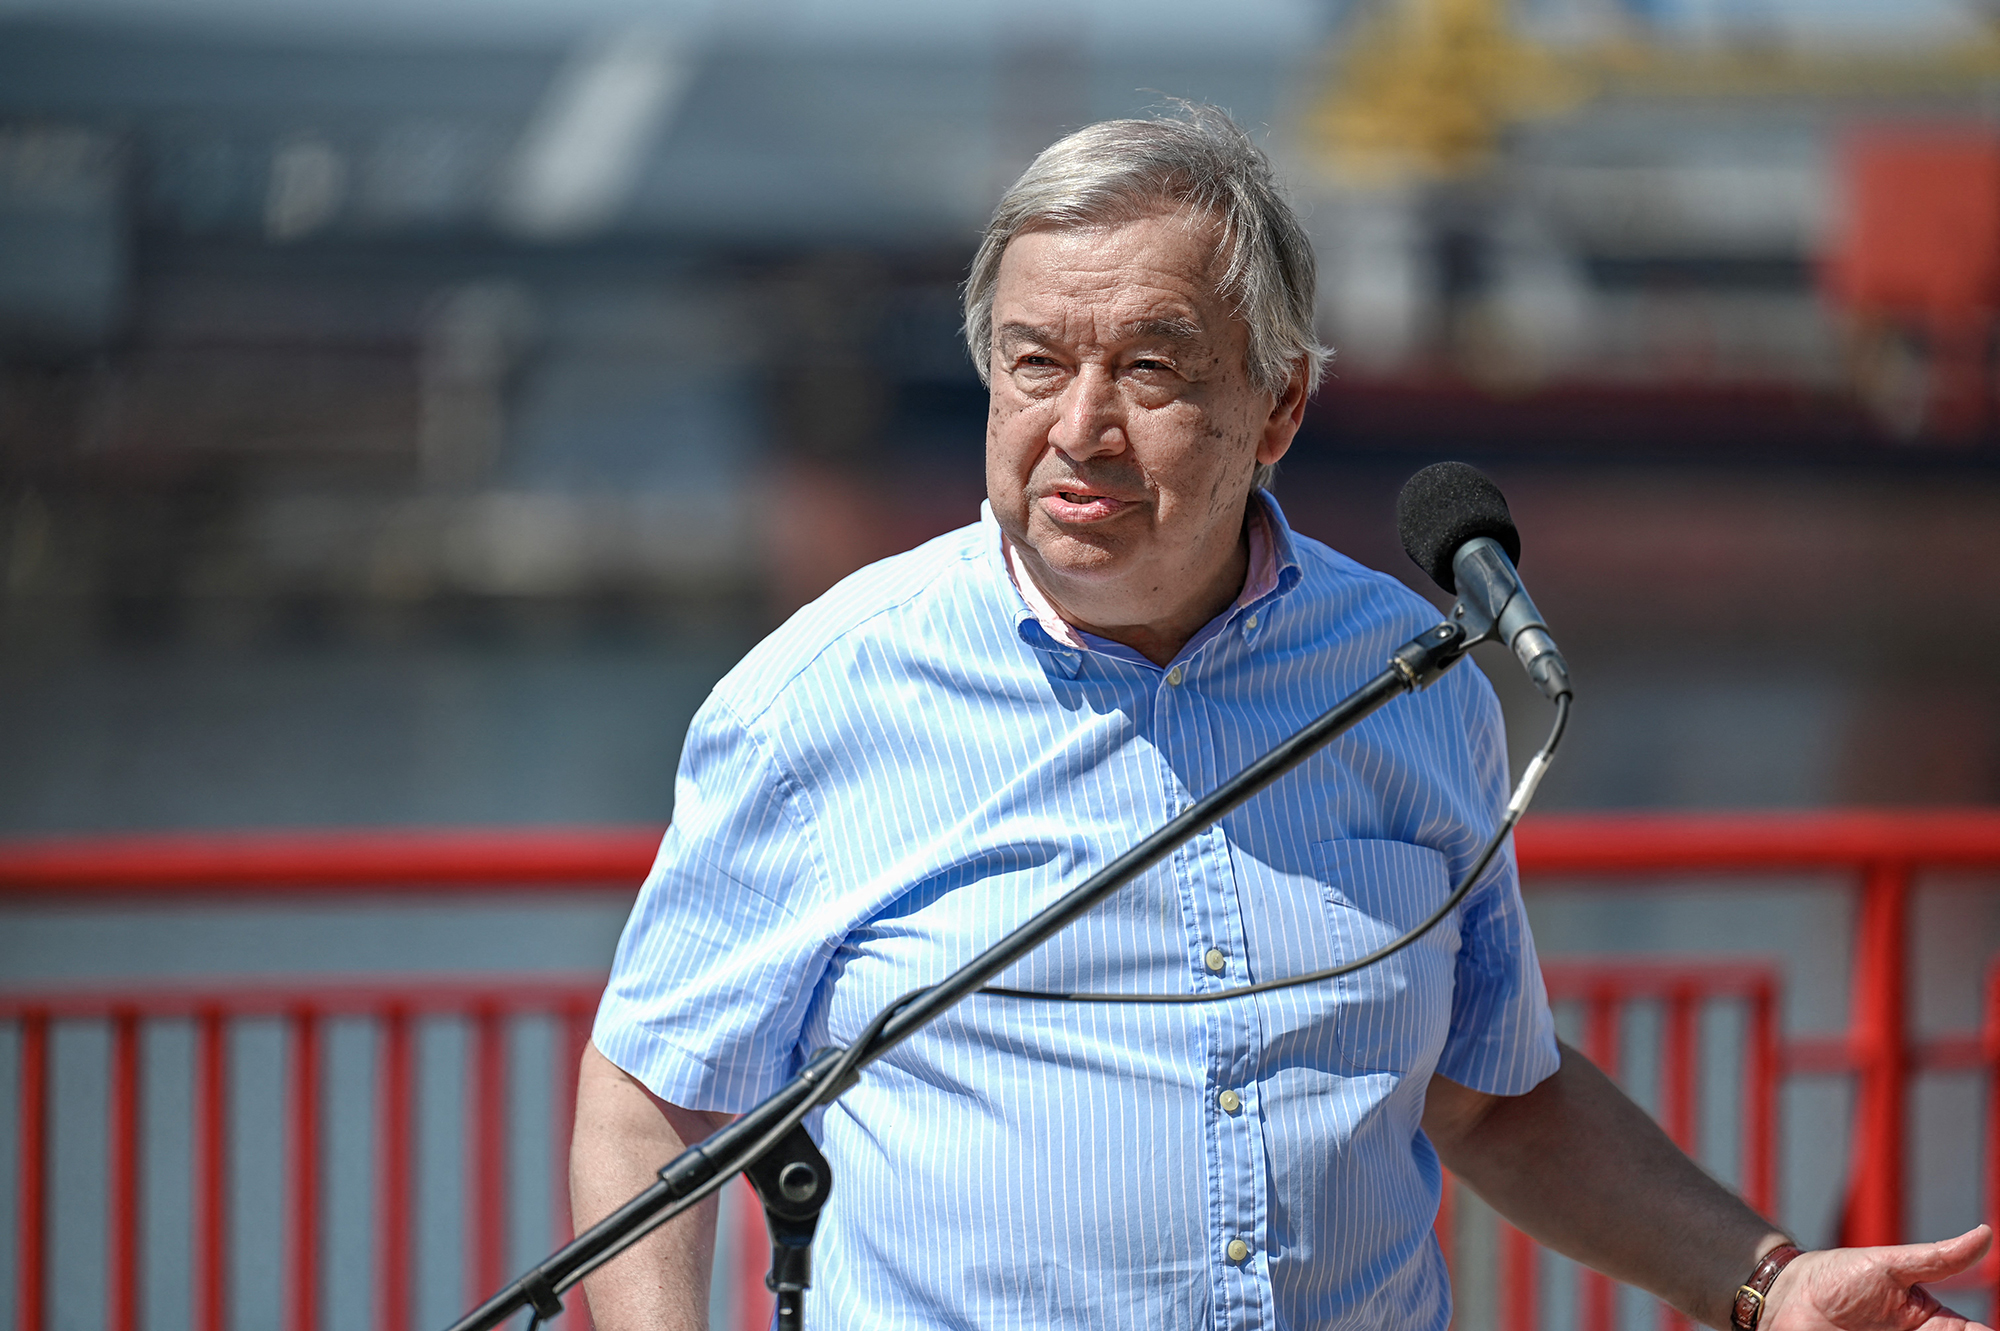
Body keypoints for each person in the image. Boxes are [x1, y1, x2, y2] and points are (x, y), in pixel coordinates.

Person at [571, 107, 1992, 1331]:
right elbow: (651, 1101)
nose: (1079, 425)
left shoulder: (1410, 678)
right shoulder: (820, 700)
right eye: (1033, 363)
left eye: (1152, 369)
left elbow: (1493, 1097)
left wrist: (1764, 1284)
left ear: (1283, 404)